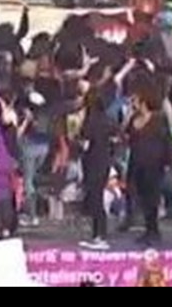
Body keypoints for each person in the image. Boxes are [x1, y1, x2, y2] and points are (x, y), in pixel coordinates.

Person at [126, 86, 171, 247]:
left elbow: (167, 140)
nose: (133, 102)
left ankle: (154, 230)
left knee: (152, 198)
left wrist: (168, 162)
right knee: (142, 197)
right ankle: (146, 228)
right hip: (137, 162)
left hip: (154, 163)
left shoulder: (159, 118)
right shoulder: (133, 119)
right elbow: (127, 137)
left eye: (135, 100)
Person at [78, 87, 118, 250]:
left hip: (92, 162)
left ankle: (99, 235)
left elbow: (85, 143)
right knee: (98, 197)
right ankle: (99, 234)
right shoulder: (108, 119)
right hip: (105, 161)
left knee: (95, 199)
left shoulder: (90, 120)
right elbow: (115, 139)